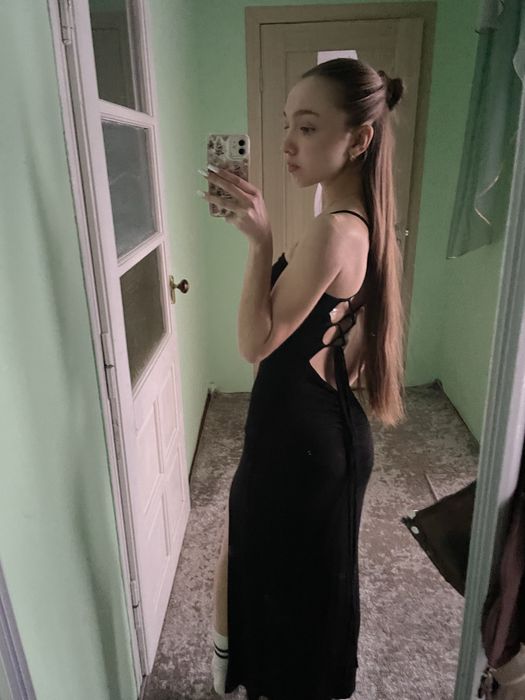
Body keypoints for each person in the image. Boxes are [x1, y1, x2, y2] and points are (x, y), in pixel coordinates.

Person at [199, 57, 407, 700]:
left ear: (359, 139)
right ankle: (241, 667)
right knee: (300, 579)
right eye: (288, 123)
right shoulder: (368, 223)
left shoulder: (333, 230)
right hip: (321, 432)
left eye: (309, 127)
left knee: (276, 578)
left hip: (299, 442)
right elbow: (348, 350)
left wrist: (260, 243)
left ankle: (239, 670)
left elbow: (253, 344)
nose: (288, 142)